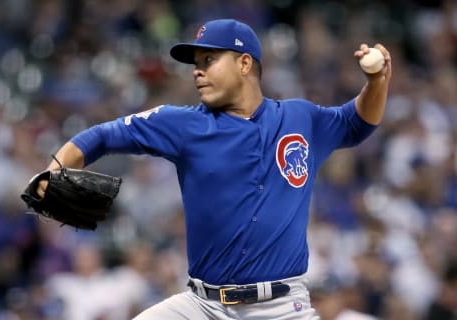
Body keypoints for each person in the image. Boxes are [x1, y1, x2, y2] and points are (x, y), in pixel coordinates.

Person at [33, 19, 391, 320]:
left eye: (209, 59)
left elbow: (357, 123)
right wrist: (54, 169)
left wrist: (375, 82)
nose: (198, 71)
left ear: (245, 64)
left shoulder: (299, 117)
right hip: (203, 306)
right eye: (196, 63)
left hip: (283, 308)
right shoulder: (183, 124)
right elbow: (102, 135)